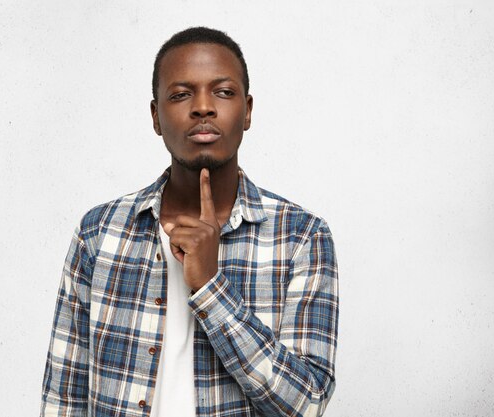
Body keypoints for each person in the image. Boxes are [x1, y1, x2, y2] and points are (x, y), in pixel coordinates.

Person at [41, 27, 338, 417]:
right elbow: (64, 397)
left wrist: (211, 288)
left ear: (247, 111)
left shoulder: (301, 237)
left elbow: (306, 404)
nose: (203, 107)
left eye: (224, 92)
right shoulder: (99, 232)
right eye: (181, 95)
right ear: (156, 116)